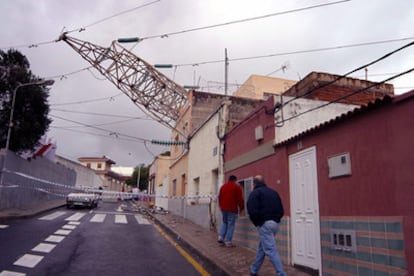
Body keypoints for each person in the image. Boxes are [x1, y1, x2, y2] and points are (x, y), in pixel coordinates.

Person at [247, 175, 286, 276]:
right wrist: (277, 219)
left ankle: (281, 273)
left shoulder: (255, 193)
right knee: (262, 248)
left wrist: (258, 223)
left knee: (270, 249)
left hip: (264, 224)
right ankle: (254, 270)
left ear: (254, 183)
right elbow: (281, 209)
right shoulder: (273, 192)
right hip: (275, 224)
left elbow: (251, 210)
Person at [218, 175, 244, 247]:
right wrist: (242, 207)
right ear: (235, 180)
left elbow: (219, 197)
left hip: (223, 208)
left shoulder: (223, 187)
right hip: (232, 209)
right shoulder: (237, 187)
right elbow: (240, 199)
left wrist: (221, 207)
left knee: (224, 222)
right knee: (231, 225)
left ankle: (221, 237)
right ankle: (228, 241)